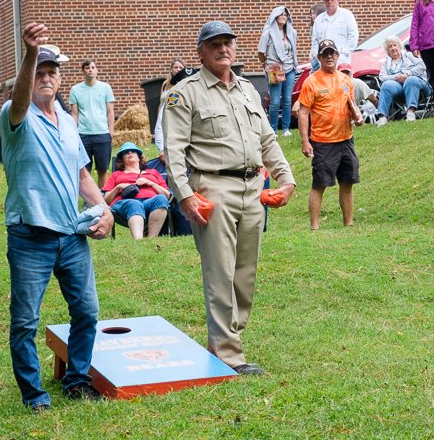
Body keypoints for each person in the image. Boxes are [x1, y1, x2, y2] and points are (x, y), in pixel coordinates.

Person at [163, 20, 297, 375]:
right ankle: (229, 357)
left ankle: (221, 343)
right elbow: (173, 151)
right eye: (215, 44)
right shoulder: (184, 93)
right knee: (220, 273)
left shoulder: (247, 90)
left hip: (253, 188)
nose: (223, 49)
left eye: (228, 42)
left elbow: (267, 139)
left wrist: (286, 178)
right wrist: (186, 195)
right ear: (201, 52)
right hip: (213, 189)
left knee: (244, 275)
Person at [0, 23, 114, 411]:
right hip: (30, 236)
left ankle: (77, 380)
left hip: (71, 236)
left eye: (52, 72)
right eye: (39, 72)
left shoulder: (67, 121)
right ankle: (34, 396)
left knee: (86, 311)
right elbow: (18, 101)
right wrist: (31, 53)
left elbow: (83, 173)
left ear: (61, 78)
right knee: (25, 322)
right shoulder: (16, 116)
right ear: (30, 77)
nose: (46, 78)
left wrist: (106, 210)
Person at [298, 39, 364, 230]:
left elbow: (351, 105)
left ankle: (349, 223)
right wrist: (305, 141)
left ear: (337, 56)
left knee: (347, 182)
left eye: (332, 53)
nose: (329, 57)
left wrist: (357, 118)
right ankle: (314, 227)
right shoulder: (311, 82)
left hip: (346, 140)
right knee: (320, 184)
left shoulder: (345, 80)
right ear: (319, 57)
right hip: (323, 142)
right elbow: (303, 112)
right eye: (325, 53)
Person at [100, 142, 170, 239]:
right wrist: (118, 187)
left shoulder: (153, 173)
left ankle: (151, 240)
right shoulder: (116, 175)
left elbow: (167, 195)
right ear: (122, 159)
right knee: (134, 204)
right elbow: (106, 200)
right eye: (126, 152)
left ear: (139, 157)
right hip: (124, 203)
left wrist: (150, 183)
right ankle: (138, 241)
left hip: (149, 203)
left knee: (161, 199)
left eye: (133, 151)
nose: (130, 153)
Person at [69, 58, 115, 187]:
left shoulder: (105, 88)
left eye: (93, 67)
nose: (90, 70)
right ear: (83, 71)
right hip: (83, 135)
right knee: (85, 171)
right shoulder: (75, 90)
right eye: (87, 68)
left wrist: (111, 131)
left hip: (102, 134)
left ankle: (102, 198)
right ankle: (88, 201)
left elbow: (110, 111)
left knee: (103, 170)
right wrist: (73, 133)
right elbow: (74, 113)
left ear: (97, 70)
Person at [257, 5, 299, 136]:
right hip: (275, 68)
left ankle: (286, 129)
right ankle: (273, 130)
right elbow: (261, 52)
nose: (284, 17)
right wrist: (266, 63)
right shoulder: (268, 33)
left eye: (286, 15)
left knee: (287, 99)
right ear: (275, 17)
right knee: (275, 101)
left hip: (289, 68)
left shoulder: (292, 32)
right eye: (281, 14)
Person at [375, 35, 431, 123]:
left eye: (395, 45)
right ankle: (382, 117)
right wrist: (396, 77)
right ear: (387, 50)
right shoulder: (386, 62)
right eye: (390, 46)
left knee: (410, 80)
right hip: (398, 86)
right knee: (386, 85)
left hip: (418, 84)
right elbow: (382, 77)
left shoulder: (409, 55)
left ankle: (411, 112)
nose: (393, 48)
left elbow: (422, 66)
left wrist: (407, 74)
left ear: (399, 46)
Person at [310, 0, 359, 67]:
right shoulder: (319, 19)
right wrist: (317, 55)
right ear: (324, 2)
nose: (329, 2)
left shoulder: (347, 15)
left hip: (342, 61)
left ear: (338, 0)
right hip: (324, 61)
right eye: (327, 0)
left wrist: (345, 52)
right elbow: (315, 40)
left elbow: (353, 35)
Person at [154, 58, 186, 163]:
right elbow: (161, 102)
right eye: (175, 67)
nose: (178, 69)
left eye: (181, 67)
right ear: (171, 69)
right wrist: (159, 117)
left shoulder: (186, 84)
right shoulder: (165, 84)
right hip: (164, 115)